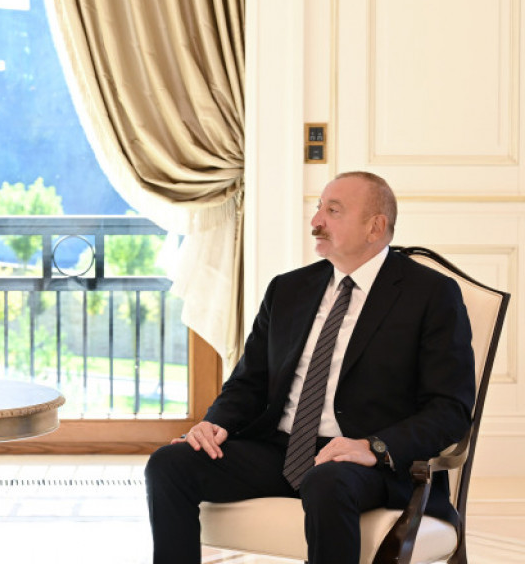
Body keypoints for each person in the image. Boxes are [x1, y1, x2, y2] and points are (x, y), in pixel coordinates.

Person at [145, 171, 475, 564]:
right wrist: (215, 423)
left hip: (366, 462)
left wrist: (374, 447)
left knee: (327, 481)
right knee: (169, 463)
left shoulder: (431, 294)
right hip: (280, 451)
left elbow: (449, 409)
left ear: (375, 227)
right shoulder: (287, 289)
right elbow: (249, 383)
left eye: (333, 211)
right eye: (319, 208)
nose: (316, 221)